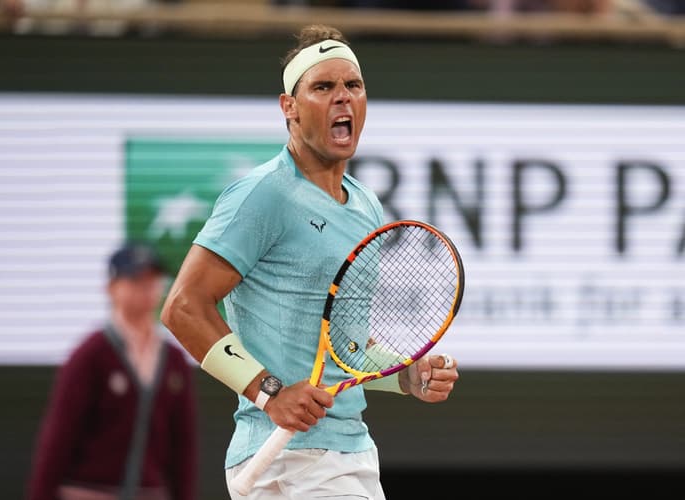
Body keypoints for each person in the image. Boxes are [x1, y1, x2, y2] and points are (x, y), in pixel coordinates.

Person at [160, 24, 459, 500]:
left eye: (353, 85)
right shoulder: (263, 194)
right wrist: (270, 393)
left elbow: (345, 347)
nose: (343, 97)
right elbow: (182, 307)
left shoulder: (366, 207)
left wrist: (404, 375)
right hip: (293, 463)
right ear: (289, 107)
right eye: (323, 87)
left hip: (346, 455)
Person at [26, 242, 198, 500]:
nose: (147, 288)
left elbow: (183, 445)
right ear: (111, 287)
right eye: (136, 279)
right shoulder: (91, 354)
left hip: (149, 493)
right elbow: (59, 436)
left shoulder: (173, 360)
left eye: (153, 280)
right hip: (89, 491)